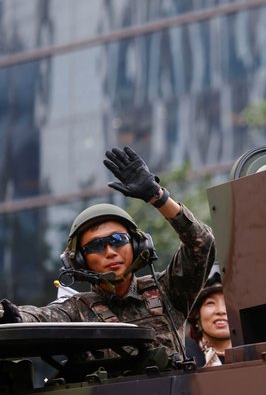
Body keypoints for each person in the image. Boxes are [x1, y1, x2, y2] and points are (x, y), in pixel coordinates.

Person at [0, 146, 215, 363]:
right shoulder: (76, 310)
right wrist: (7, 314)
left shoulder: (167, 291)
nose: (110, 252)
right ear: (79, 260)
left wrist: (157, 197)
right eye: (95, 246)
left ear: (138, 245)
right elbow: (36, 318)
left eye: (118, 240)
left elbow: (202, 243)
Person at [185, 264, 231, 367]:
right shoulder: (184, 357)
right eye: (210, 303)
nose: (221, 311)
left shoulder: (260, 353)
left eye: (228, 302)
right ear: (197, 314)